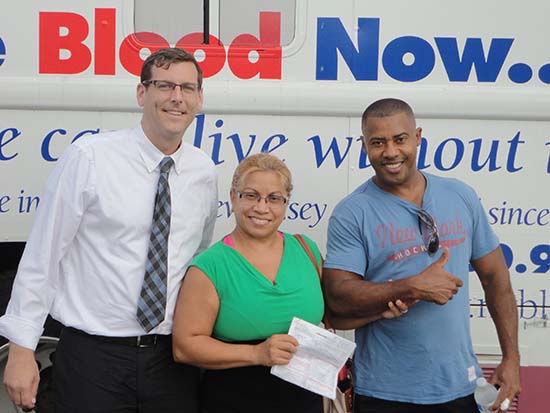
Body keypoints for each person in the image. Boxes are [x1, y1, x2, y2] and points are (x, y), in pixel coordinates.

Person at [0, 47, 218, 412]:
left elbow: (197, 257)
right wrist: (22, 348)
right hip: (93, 359)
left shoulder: (204, 172)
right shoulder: (90, 157)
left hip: (170, 362)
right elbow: (43, 255)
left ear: (199, 99)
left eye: (187, 88)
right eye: (164, 85)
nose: (177, 97)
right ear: (142, 93)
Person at [322, 98, 521, 413]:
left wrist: (511, 358)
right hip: (385, 392)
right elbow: (337, 297)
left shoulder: (460, 195)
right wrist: (411, 286)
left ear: (417, 137)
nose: (390, 152)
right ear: (364, 146)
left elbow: (496, 279)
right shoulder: (352, 212)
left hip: (460, 386)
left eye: (399, 139)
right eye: (378, 142)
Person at [171, 153, 408, 413]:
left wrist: (378, 311)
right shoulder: (210, 266)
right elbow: (185, 347)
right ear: (233, 197)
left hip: (304, 403)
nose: (262, 208)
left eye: (274, 198)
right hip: (232, 401)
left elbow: (333, 317)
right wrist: (256, 354)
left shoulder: (306, 250)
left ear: (286, 204)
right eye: (251, 196)